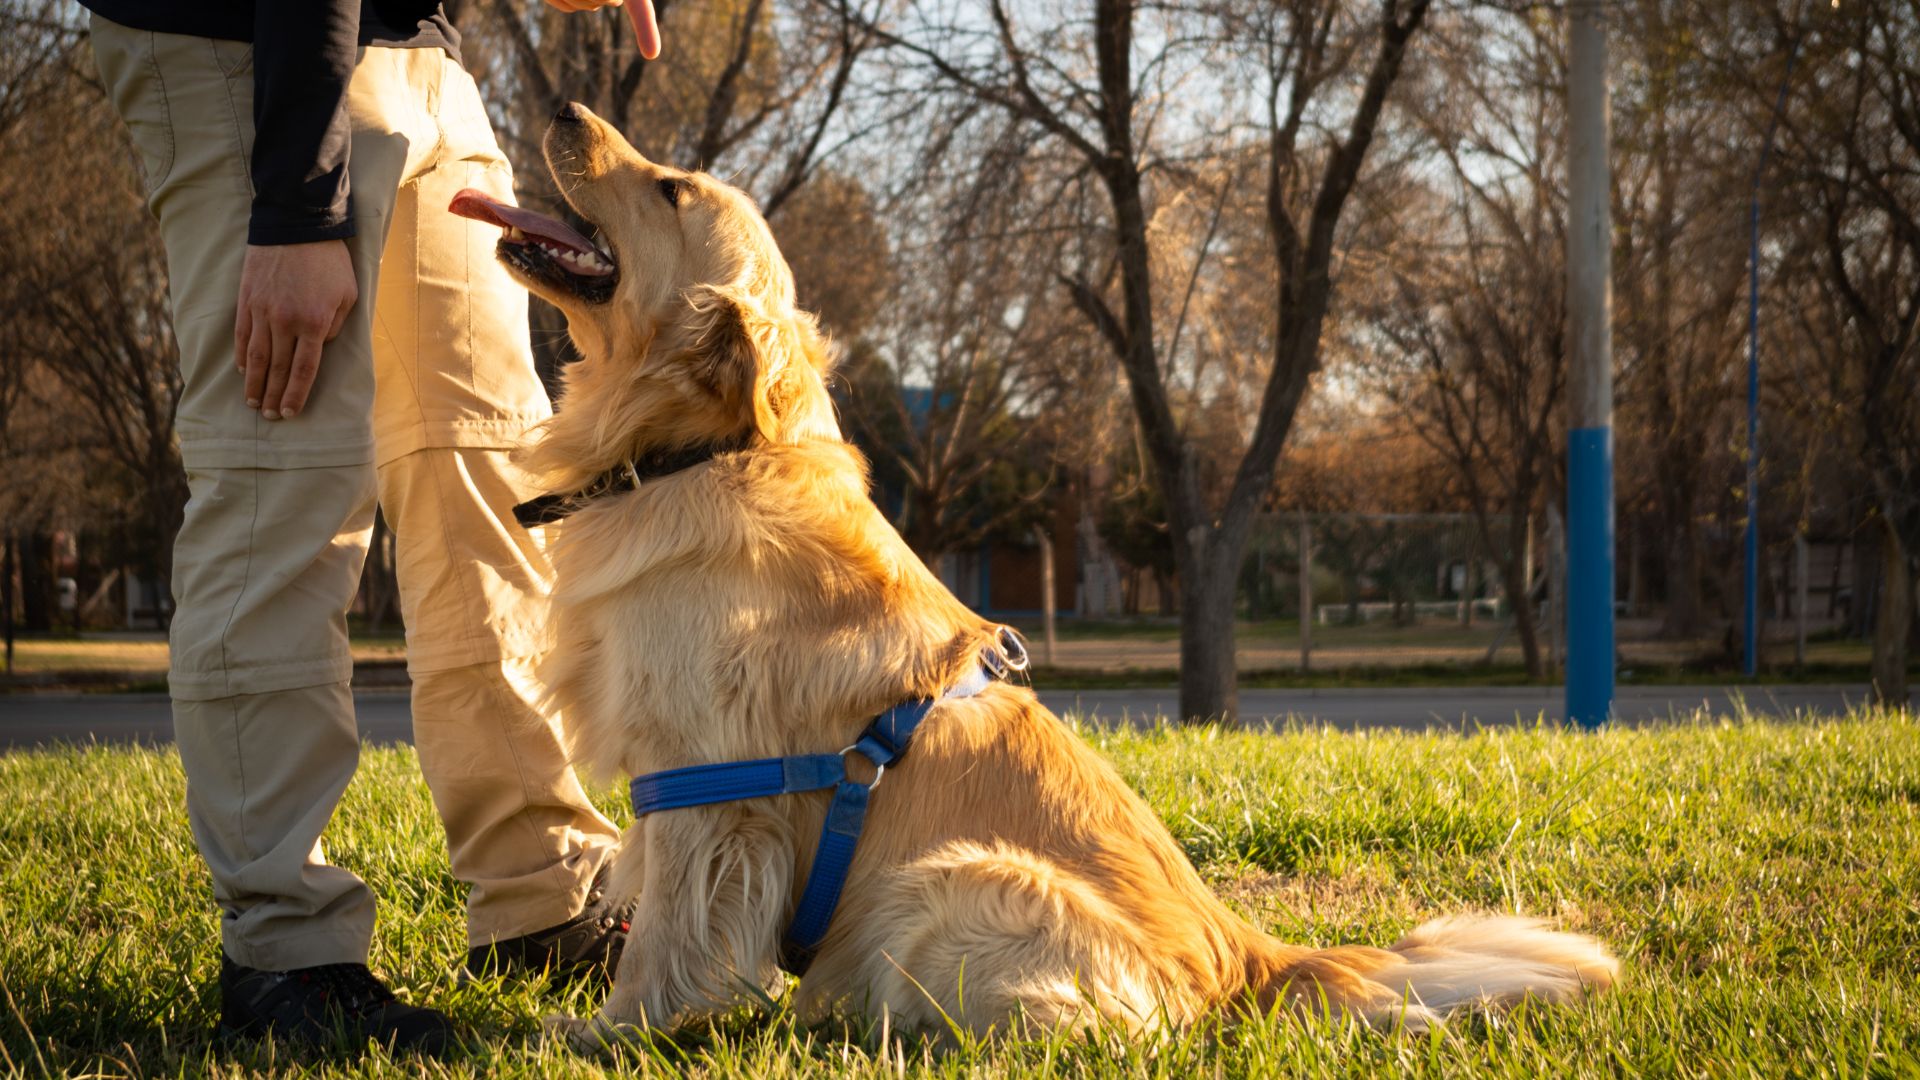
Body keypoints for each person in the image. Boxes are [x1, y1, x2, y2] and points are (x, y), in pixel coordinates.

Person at [81, 0, 663, 1052]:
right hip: (252, 50)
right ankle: (286, 953)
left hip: (419, 52)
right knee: (285, 486)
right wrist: (299, 211)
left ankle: (544, 899)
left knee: (490, 470)